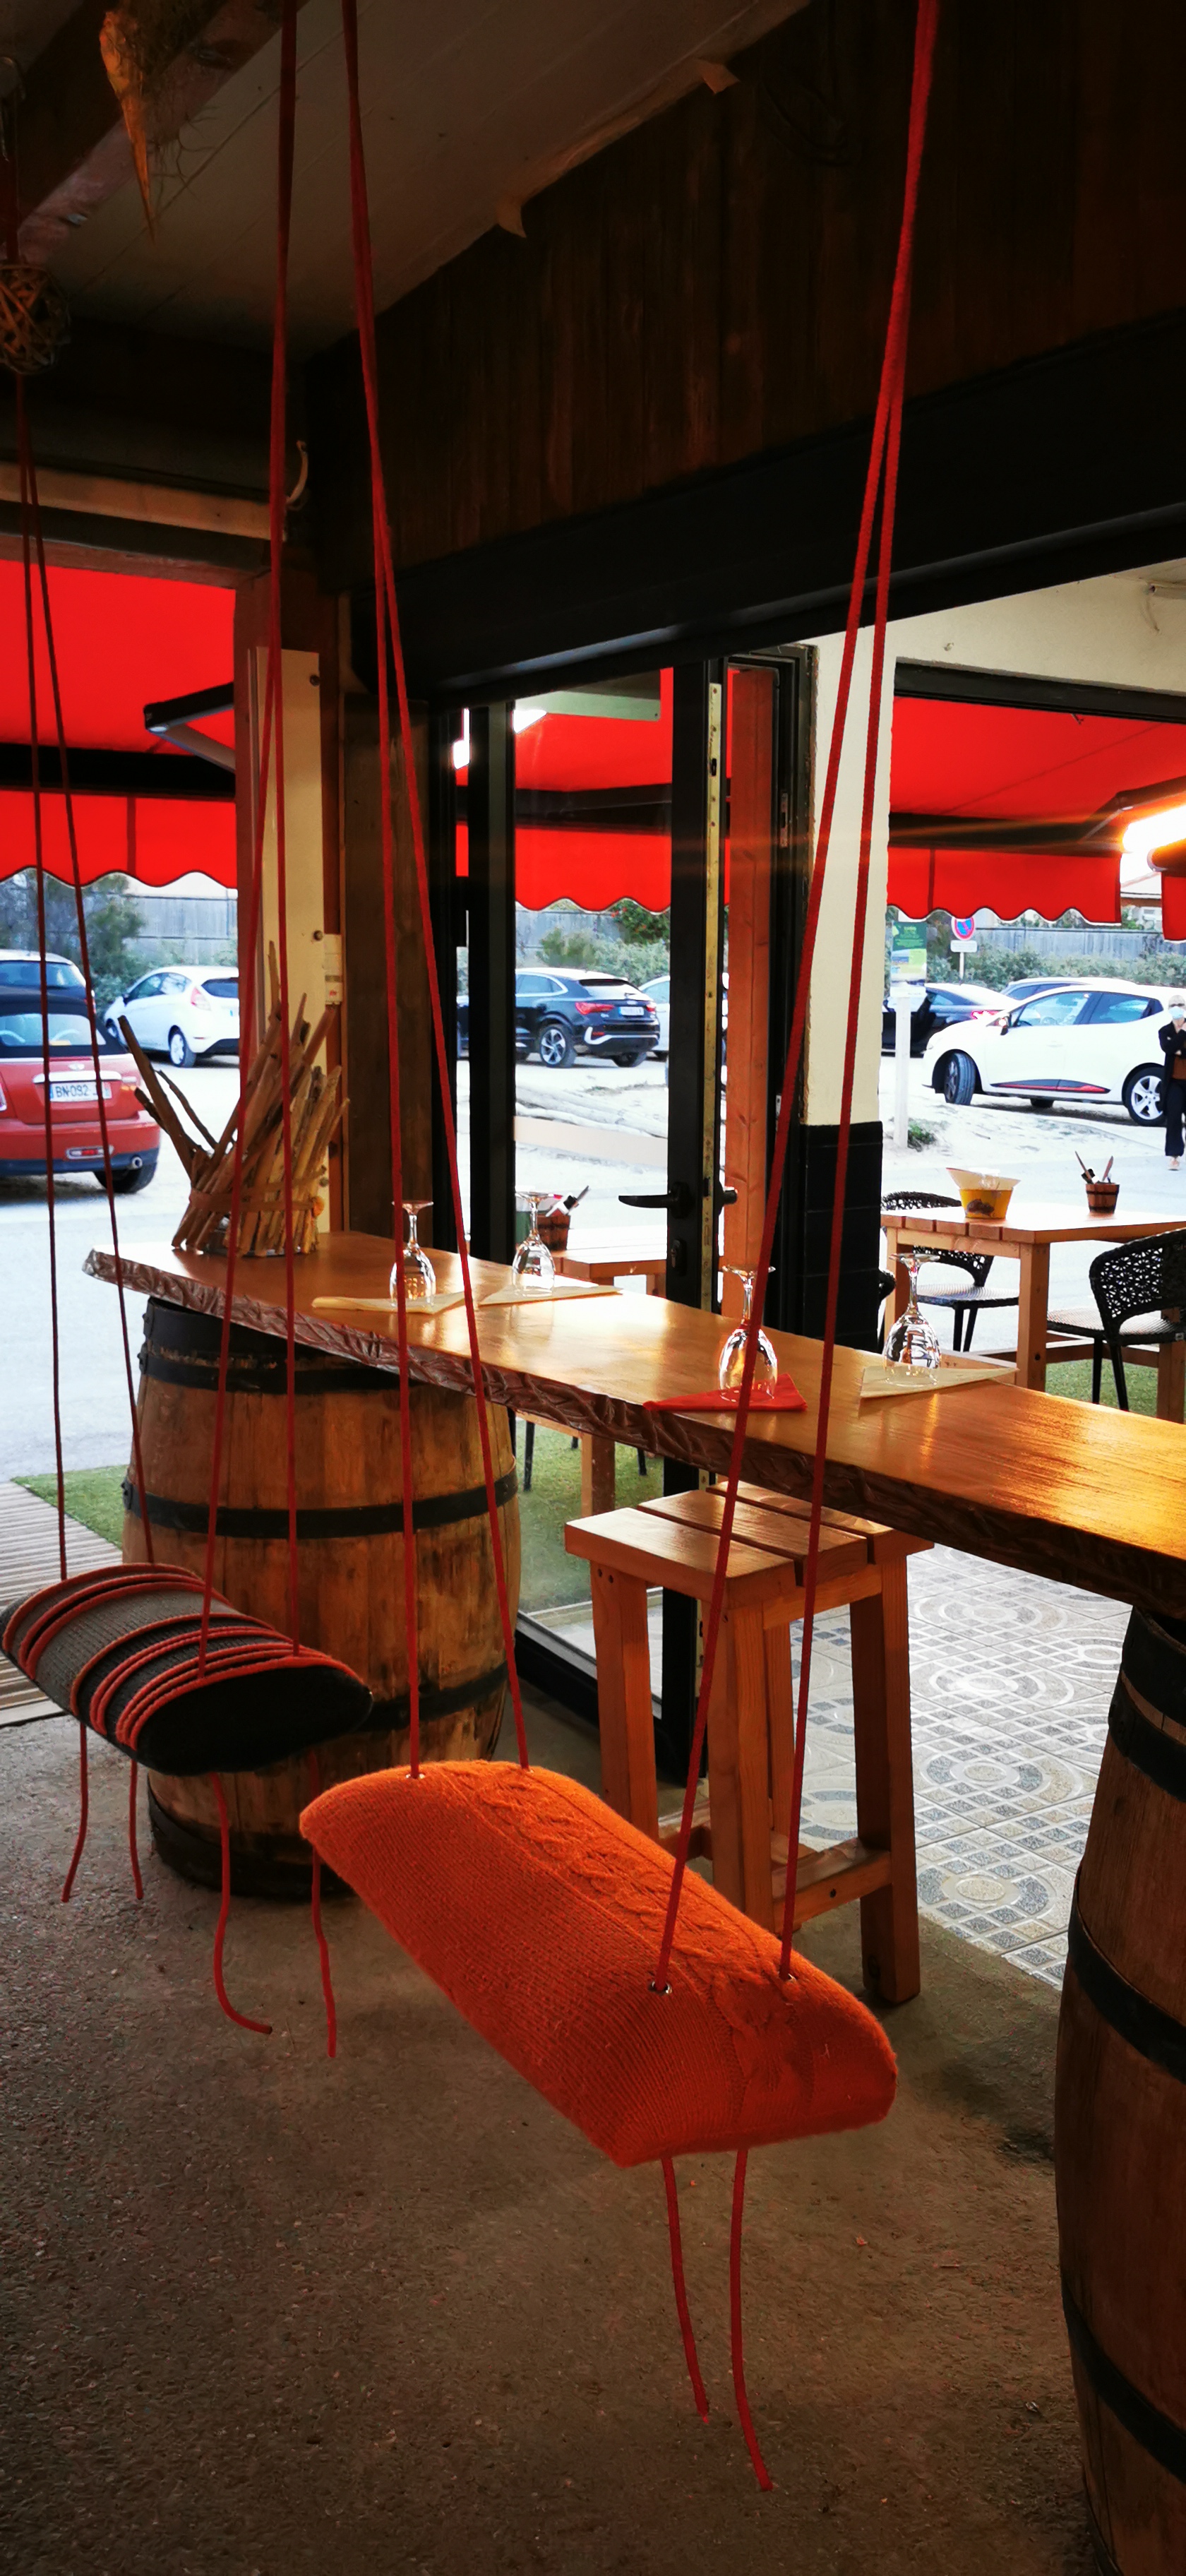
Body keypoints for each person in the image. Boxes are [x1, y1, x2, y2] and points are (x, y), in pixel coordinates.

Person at [1159, 1000, 1186, 1169]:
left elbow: (1173, 1049)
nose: (1177, 1008)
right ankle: (1174, 1156)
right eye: (1173, 1005)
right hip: (1174, 1081)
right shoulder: (1165, 1031)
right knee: (1174, 1118)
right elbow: (1167, 1048)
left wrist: (1179, 1051)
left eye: (1180, 1004)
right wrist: (1183, 1034)